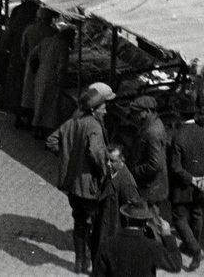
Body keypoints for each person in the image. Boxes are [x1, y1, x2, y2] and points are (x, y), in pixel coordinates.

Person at [47, 82, 113, 275]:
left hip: (73, 186)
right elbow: (96, 154)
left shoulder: (73, 121)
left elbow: (51, 141)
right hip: (90, 187)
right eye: (103, 107)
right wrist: (104, 172)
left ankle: (78, 263)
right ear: (95, 109)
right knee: (96, 227)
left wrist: (69, 156)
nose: (106, 111)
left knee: (79, 224)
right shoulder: (94, 126)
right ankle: (92, 265)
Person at [166, 95, 204, 272]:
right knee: (196, 213)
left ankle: (195, 250)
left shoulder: (177, 136)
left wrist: (191, 180)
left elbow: (175, 167)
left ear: (178, 115)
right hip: (202, 185)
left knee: (179, 218)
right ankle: (191, 244)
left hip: (183, 185)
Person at [92, 200, 183, 277]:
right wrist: (167, 235)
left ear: (126, 219)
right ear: (146, 221)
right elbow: (176, 265)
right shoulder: (152, 246)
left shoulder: (107, 244)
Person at [127, 95, 171, 219]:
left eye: (137, 112)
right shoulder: (150, 124)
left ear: (147, 111)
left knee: (151, 222)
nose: (134, 115)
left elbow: (154, 164)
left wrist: (135, 171)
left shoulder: (153, 131)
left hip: (151, 189)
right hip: (150, 187)